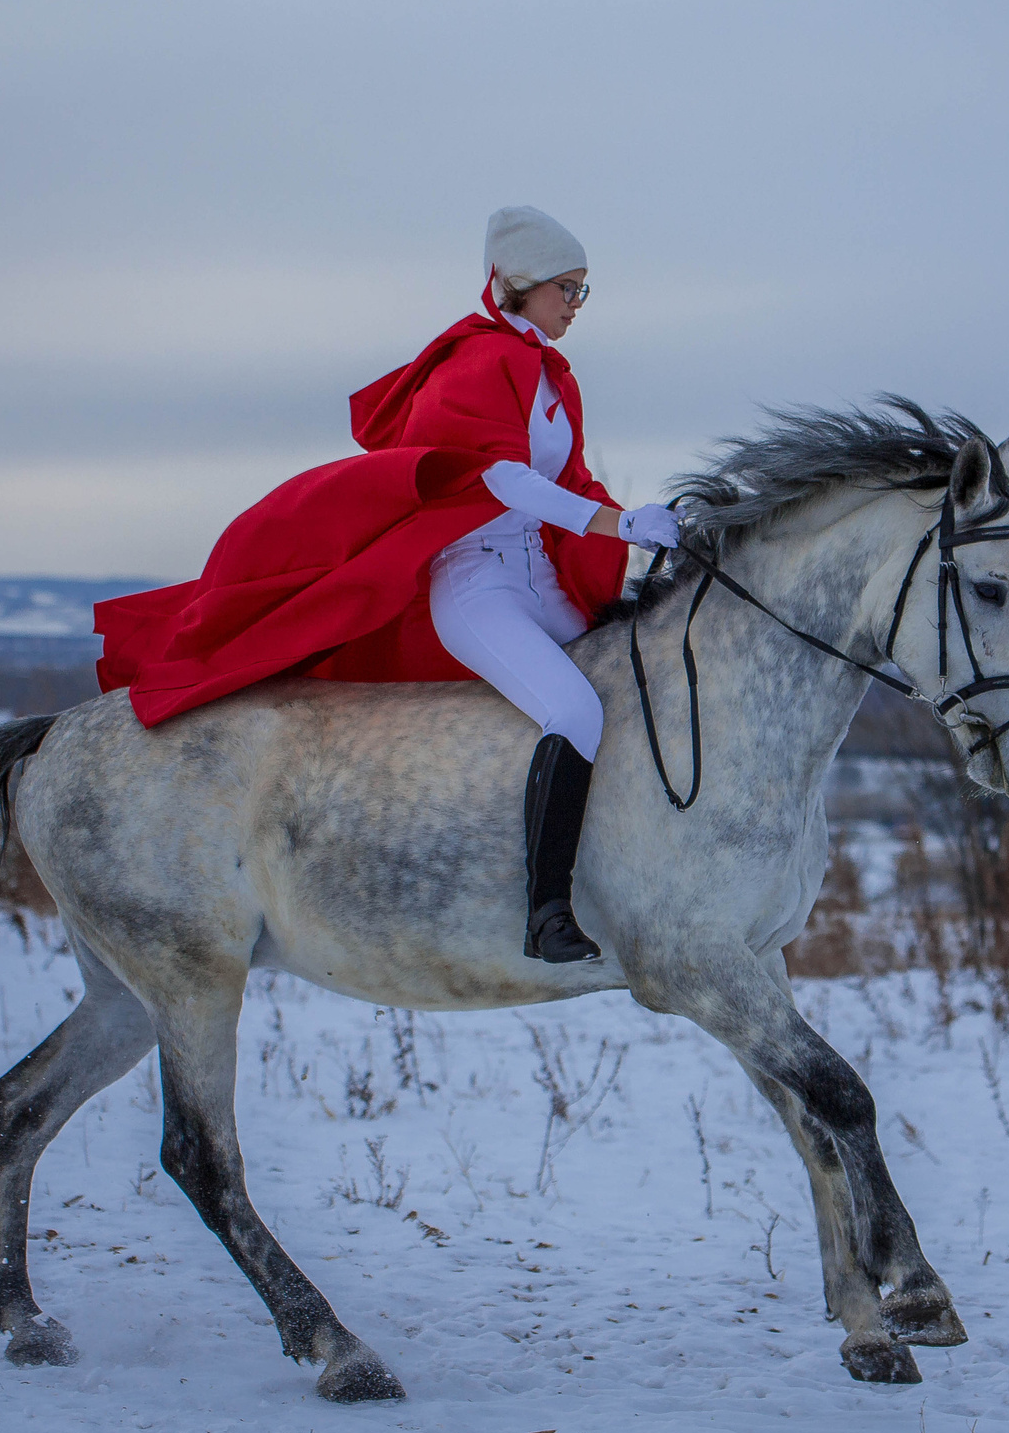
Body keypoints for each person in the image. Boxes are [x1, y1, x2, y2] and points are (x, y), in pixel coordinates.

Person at [95, 207, 680, 964]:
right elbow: (497, 477)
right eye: (567, 287)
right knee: (572, 705)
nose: (576, 303)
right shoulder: (480, 360)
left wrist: (645, 519)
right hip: (479, 588)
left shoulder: (546, 374)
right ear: (522, 285)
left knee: (628, 688)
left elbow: (568, 478)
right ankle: (545, 913)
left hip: (540, 579)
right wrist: (614, 524)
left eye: (583, 289)